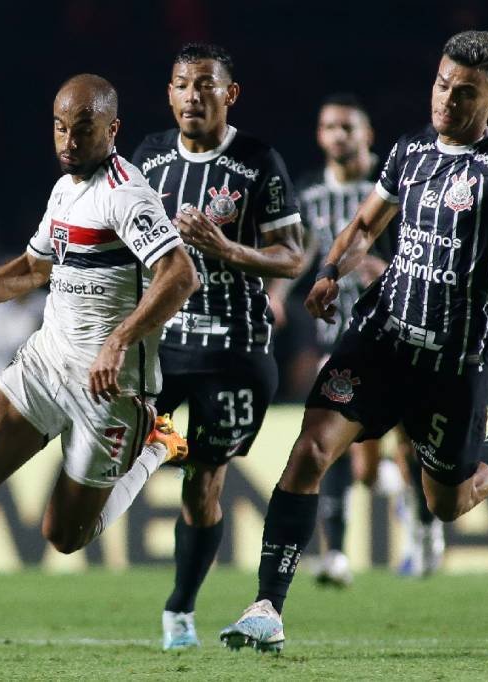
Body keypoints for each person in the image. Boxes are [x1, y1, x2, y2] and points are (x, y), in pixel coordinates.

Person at [220, 30, 488, 652]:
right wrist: (329, 272)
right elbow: (365, 224)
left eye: (466, 93)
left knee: (448, 503)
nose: (448, 100)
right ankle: (267, 606)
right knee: (311, 452)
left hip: (451, 362)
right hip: (381, 338)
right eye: (442, 84)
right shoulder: (410, 150)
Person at [0, 74, 198, 661]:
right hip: (46, 362)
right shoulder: (66, 189)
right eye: (60, 127)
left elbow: (179, 274)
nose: (67, 140)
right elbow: (34, 268)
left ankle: (155, 445)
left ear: (112, 130)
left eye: (82, 129)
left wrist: (119, 340)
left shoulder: (125, 195)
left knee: (63, 537)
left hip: (111, 387)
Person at [131, 43, 304, 650]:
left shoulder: (258, 162)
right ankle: (160, 442)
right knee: (120, 445)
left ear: (230, 94)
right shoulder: (148, 158)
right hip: (162, 347)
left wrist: (228, 249)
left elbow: (291, 256)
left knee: (203, 484)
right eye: (181, 84)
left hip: (234, 350)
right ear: (170, 94)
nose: (192, 95)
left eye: (205, 84)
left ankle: (180, 608)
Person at [270, 93, 411, 586]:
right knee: (327, 443)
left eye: (348, 128)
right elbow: (299, 253)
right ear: (319, 135)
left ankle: (405, 500)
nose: (338, 136)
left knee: (376, 464)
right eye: (330, 127)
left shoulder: (393, 188)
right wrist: (275, 293)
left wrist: (388, 270)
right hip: (340, 340)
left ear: (367, 135)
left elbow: (427, 254)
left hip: (397, 337)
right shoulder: (309, 193)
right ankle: (336, 556)